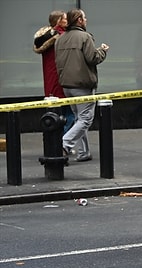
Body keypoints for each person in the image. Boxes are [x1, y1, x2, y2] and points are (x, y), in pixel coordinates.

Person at [54, 8, 109, 162]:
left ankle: (84, 152)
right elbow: (93, 58)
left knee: (79, 118)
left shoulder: (60, 39)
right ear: (79, 20)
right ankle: (64, 144)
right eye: (84, 17)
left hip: (67, 85)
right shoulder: (85, 37)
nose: (86, 20)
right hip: (82, 84)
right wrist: (103, 51)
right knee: (86, 119)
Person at [33, 10, 75, 138]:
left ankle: (58, 141)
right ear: (59, 21)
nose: (68, 21)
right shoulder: (63, 36)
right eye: (65, 19)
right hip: (62, 79)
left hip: (51, 81)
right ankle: (64, 141)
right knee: (70, 114)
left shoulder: (45, 36)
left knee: (57, 114)